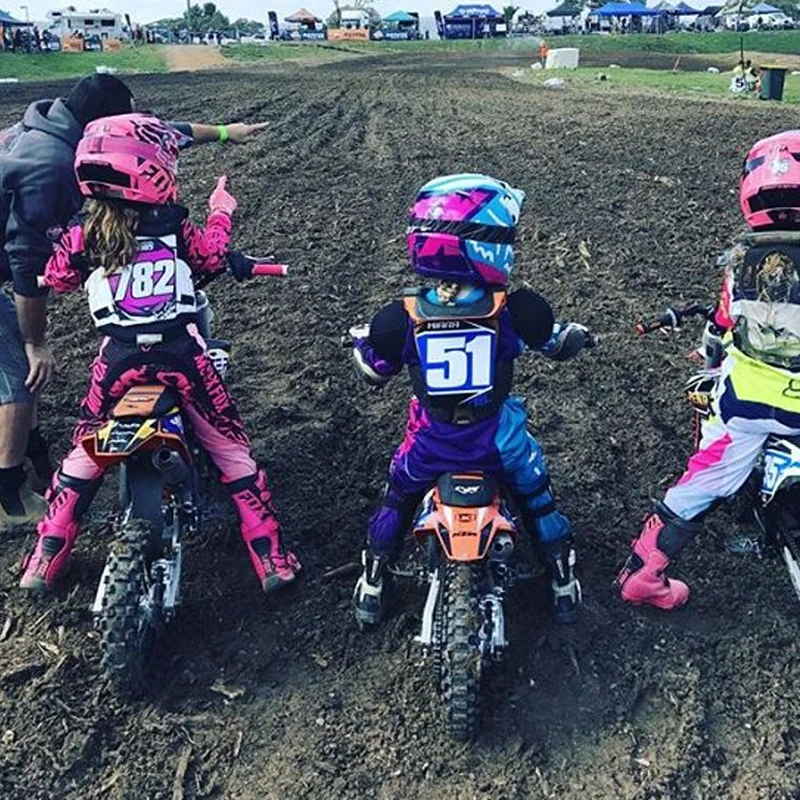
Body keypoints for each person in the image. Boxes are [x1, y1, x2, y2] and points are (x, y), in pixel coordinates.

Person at [19, 114, 301, 595]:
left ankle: (45, 558)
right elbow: (211, 257)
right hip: (180, 356)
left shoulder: (85, 234)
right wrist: (221, 212)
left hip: (118, 362)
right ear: (152, 169)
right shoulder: (174, 226)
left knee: (86, 447)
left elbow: (60, 276)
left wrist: (54, 269)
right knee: (230, 447)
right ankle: (270, 555)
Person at [0, 73, 271, 531]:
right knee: (18, 375)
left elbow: (163, 133)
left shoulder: (64, 131)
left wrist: (227, 132)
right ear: (106, 127)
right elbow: (28, 267)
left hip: (97, 332)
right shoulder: (52, 167)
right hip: (18, 268)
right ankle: (9, 497)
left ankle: (43, 467)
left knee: (66, 407)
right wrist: (36, 342)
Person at [351, 174, 593, 628]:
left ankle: (374, 582)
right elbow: (558, 344)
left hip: (431, 443)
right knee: (537, 496)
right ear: (489, 245)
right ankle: (561, 581)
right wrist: (577, 336)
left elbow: (373, 371)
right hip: (498, 442)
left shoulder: (401, 317)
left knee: (397, 497)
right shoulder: (515, 310)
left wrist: (364, 345)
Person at [616, 130, 800, 610]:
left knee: (703, 480)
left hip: (749, 406)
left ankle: (643, 574)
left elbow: (722, 323)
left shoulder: (740, 263)